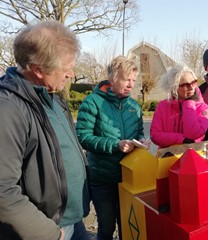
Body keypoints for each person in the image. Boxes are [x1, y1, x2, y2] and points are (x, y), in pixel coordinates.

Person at [0, 20, 90, 240]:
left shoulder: (53, 98)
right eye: (66, 68)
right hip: (48, 230)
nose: (71, 74)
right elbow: (2, 189)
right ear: (38, 70)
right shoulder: (8, 109)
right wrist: (46, 233)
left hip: (72, 222)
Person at [76, 55, 146, 240]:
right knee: (106, 228)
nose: (131, 84)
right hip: (103, 179)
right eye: (126, 79)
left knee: (127, 226)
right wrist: (115, 145)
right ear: (113, 78)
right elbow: (83, 137)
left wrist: (141, 142)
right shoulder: (92, 102)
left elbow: (139, 133)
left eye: (133, 80)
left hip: (129, 178)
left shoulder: (134, 106)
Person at [150, 64, 208, 148]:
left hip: (192, 156)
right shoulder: (162, 106)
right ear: (174, 88)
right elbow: (155, 135)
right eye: (185, 85)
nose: (191, 87)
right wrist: (181, 139)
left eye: (193, 82)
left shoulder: (205, 109)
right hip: (167, 157)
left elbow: (193, 134)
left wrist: (189, 103)